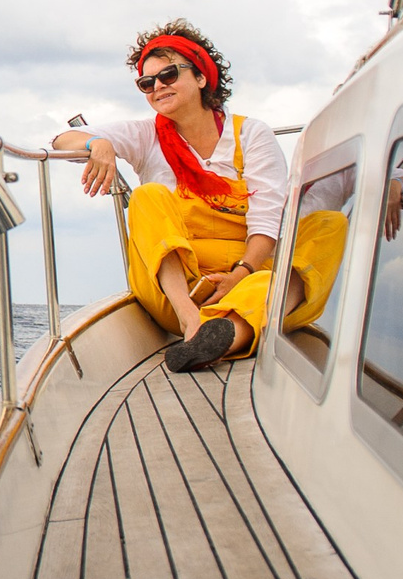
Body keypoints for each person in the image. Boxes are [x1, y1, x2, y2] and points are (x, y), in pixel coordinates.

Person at [50, 20, 309, 371]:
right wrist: (99, 143)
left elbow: (268, 217)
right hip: (177, 293)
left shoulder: (251, 135)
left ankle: (228, 331)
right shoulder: (146, 135)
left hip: (246, 278)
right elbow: (62, 141)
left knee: (326, 227)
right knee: (148, 196)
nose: (157, 86)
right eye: (146, 82)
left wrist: (240, 273)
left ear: (201, 77)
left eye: (169, 74)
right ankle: (195, 323)